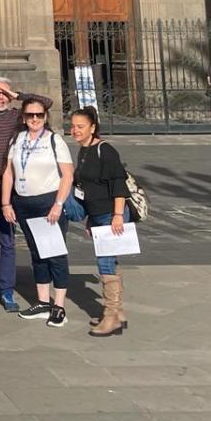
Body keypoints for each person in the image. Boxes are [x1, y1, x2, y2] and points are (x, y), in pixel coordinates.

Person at [0, 77, 46, 313]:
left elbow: (46, 102)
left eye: (4, 93)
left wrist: (18, 95)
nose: (0, 97)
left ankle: (6, 289)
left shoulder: (17, 117)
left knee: (8, 241)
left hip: (10, 189)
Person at [2, 97, 75, 327]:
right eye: (30, 115)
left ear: (45, 117)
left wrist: (58, 204)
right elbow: (8, 173)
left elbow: (68, 175)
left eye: (39, 115)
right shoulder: (18, 139)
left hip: (48, 203)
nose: (35, 119)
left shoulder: (54, 140)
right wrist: (6, 203)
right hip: (24, 203)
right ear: (23, 117)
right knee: (37, 253)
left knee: (55, 254)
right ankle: (43, 302)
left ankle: (59, 306)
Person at [70, 106, 131, 337]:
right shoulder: (83, 151)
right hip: (97, 214)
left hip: (110, 213)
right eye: (73, 126)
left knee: (104, 262)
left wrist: (117, 215)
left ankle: (111, 315)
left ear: (93, 128)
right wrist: (89, 220)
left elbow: (118, 185)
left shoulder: (105, 151)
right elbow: (87, 189)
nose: (75, 130)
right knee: (110, 261)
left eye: (80, 126)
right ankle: (118, 312)